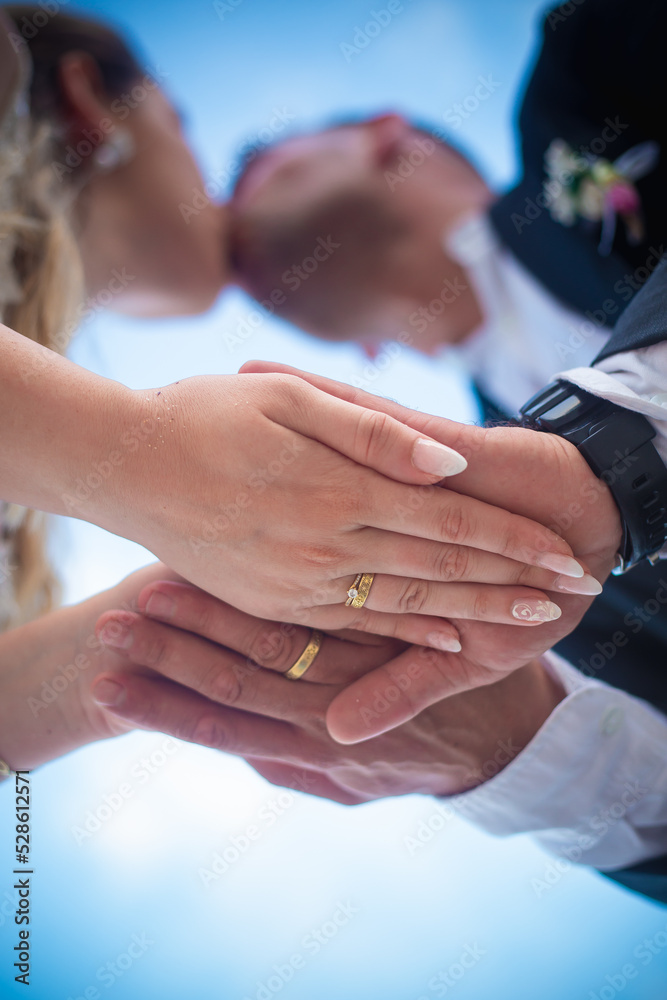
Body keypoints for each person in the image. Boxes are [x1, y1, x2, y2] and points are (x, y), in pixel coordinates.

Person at [0, 6, 584, 655]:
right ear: (86, 106)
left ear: (383, 131)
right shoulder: (508, 531)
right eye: (181, 125)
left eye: (261, 162)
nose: (221, 204)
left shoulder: (590, 81)